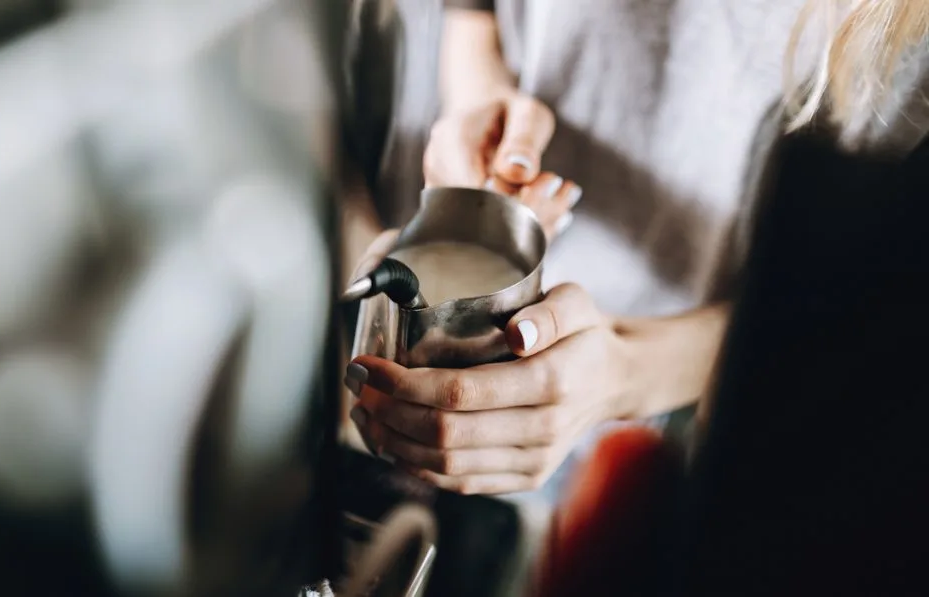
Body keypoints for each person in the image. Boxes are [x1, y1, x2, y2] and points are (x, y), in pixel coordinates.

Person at [342, 0, 929, 497]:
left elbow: (862, 307)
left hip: (609, 420)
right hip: (376, 223)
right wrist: (475, 78)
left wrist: (622, 374)